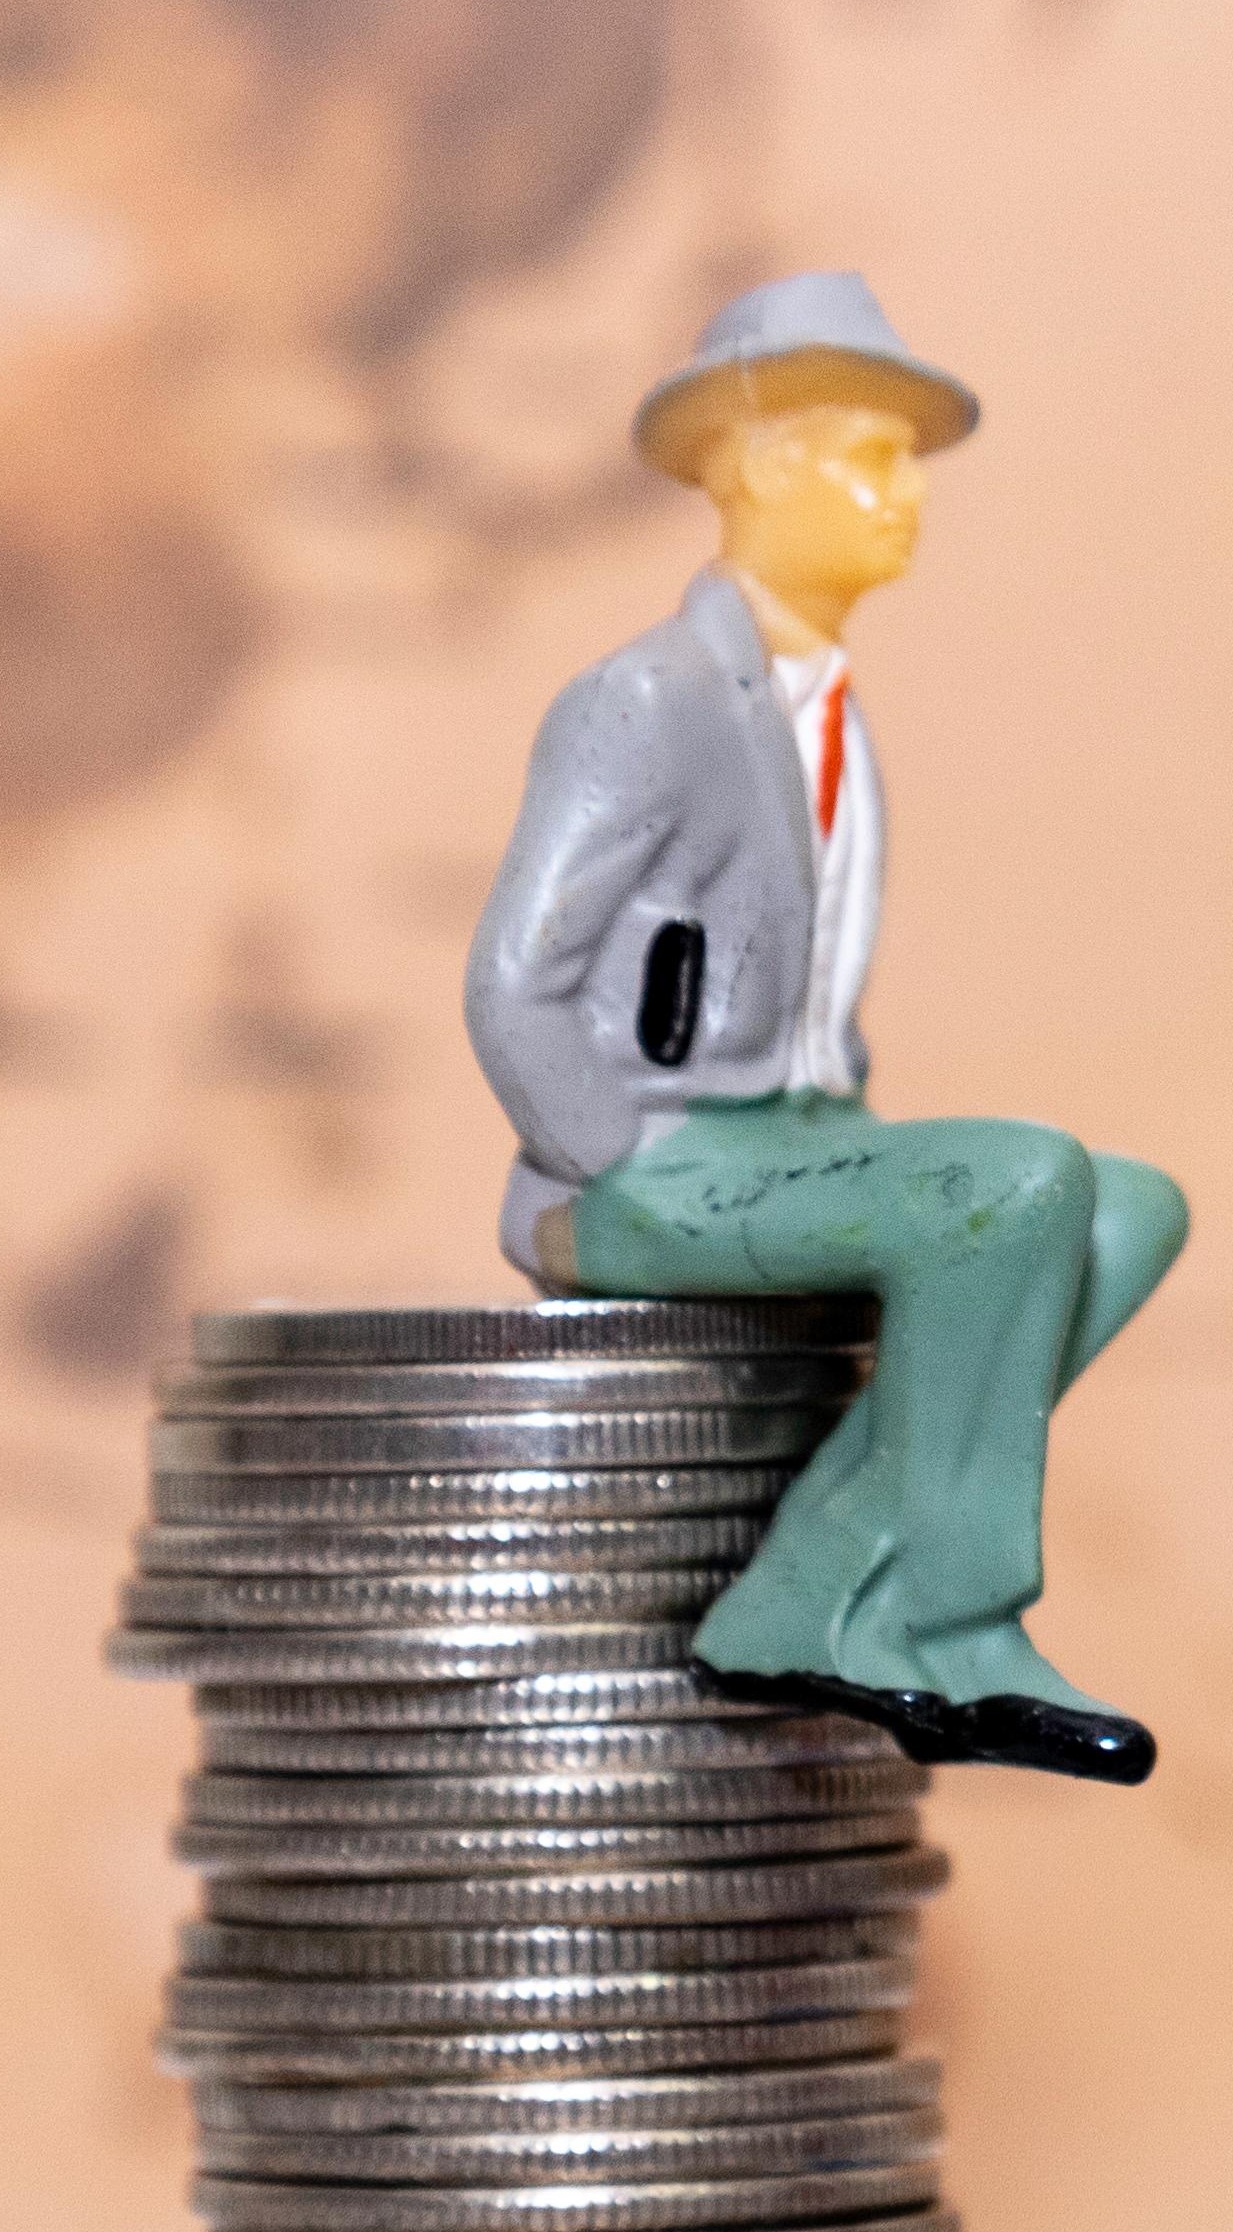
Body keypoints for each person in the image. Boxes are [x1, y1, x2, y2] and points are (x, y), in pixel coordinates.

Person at [459, 273, 1185, 1785]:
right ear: (753, 469)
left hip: (796, 1143)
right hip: (646, 1165)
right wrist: (616, 1169)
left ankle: (806, 1590)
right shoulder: (648, 699)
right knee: (1017, 1179)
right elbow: (516, 980)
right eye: (868, 456)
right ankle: (955, 1620)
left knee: (1126, 1211)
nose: (905, 493)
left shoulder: (826, 710)